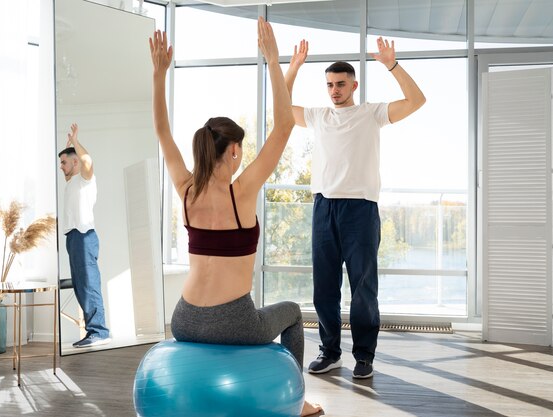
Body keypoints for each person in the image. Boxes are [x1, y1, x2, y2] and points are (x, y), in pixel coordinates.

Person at [149, 18, 322, 417]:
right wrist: (275, 61)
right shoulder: (241, 191)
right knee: (293, 312)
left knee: (271, 311)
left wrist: (159, 75)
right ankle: (297, 400)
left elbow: (161, 130)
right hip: (232, 322)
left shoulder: (186, 189)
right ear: (233, 152)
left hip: (184, 318)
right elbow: (283, 127)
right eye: (241, 149)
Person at [285, 38, 426, 379]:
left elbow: (416, 100)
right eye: (330, 85)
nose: (334, 90)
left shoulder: (371, 113)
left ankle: (364, 356)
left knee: (363, 288)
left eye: (341, 84)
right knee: (325, 288)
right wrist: (293, 68)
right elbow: (279, 106)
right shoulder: (318, 117)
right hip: (323, 208)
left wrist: (392, 64)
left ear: (354, 85)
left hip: (360, 210)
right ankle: (330, 352)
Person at [58, 123, 111, 348]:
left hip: (84, 236)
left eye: (64, 162)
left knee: (89, 284)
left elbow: (88, 161)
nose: (61, 167)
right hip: (73, 238)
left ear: (75, 161)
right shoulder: (71, 185)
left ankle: (99, 332)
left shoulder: (85, 180)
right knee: (81, 286)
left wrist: (76, 142)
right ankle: (93, 331)